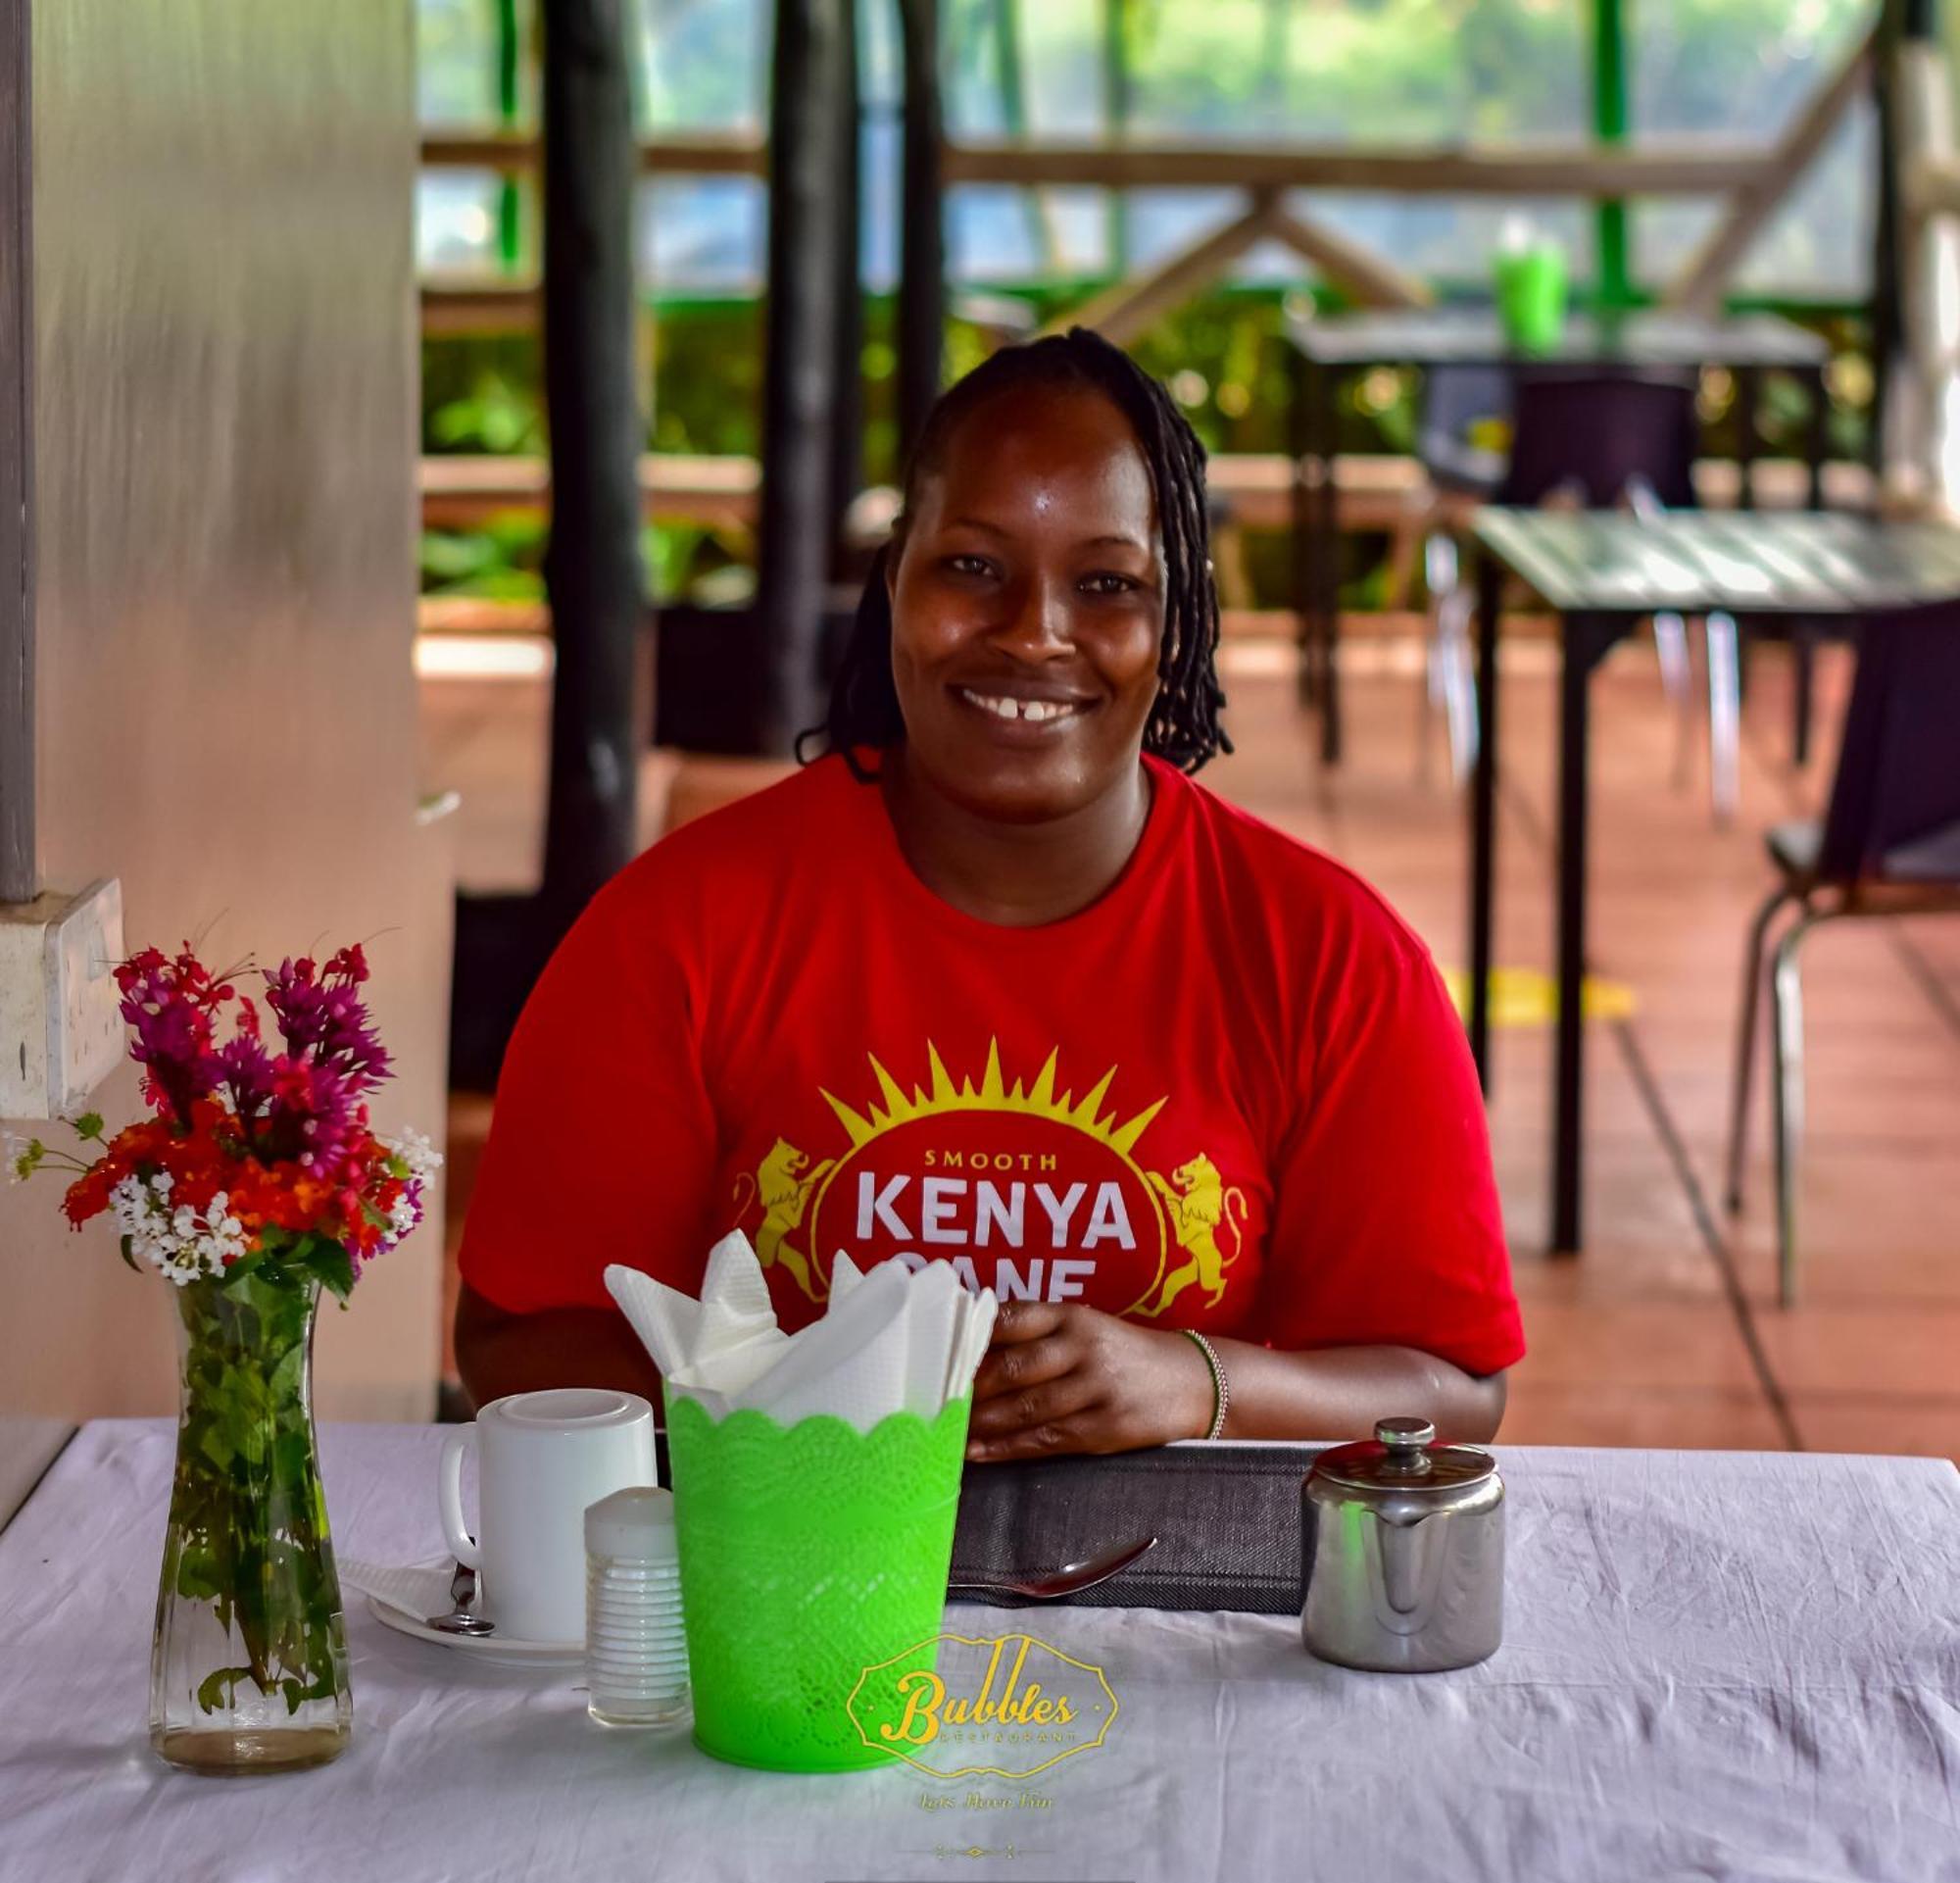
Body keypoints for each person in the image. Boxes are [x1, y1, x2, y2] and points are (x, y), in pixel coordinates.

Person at [456, 328, 1522, 1459]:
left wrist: (1196, 1381)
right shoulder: (676, 929)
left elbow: (1447, 1386)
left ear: (1175, 626)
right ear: (892, 579)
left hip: (1189, 1611)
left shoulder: (1330, 958)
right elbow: (522, 1342)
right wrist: (807, 1405)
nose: (1033, 631)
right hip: (765, 1607)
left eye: (1106, 583)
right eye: (971, 565)